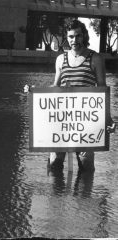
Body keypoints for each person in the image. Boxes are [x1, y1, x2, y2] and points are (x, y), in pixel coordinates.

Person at [50, 19, 116, 172]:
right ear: (67, 37)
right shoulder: (61, 59)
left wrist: (108, 118)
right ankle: (57, 195)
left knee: (86, 168)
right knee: (54, 165)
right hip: (62, 120)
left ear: (84, 35)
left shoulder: (96, 59)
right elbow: (55, 86)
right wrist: (34, 92)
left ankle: (84, 197)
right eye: (71, 37)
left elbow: (102, 89)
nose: (74, 40)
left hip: (85, 122)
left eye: (78, 36)